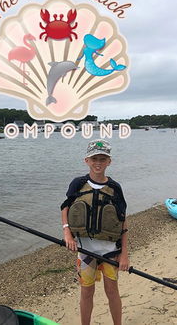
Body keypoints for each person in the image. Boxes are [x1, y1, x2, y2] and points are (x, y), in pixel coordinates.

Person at [60, 139, 129, 325]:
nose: (98, 163)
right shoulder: (78, 184)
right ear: (86, 160)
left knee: (112, 291)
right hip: (85, 251)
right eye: (94, 158)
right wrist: (67, 234)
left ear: (109, 162)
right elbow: (65, 208)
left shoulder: (115, 188)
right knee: (86, 292)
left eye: (102, 159)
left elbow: (123, 222)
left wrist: (124, 255)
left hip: (110, 251)